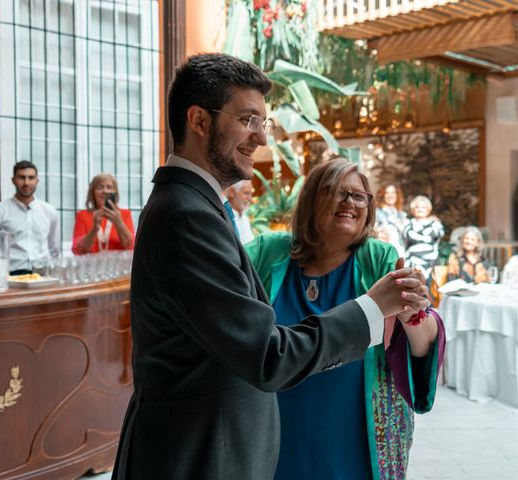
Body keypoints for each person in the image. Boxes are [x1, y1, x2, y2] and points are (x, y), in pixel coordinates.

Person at [111, 53, 430, 480]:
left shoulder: (199, 207)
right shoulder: (188, 216)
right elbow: (268, 355)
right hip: (197, 455)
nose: (260, 138)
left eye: (264, 123)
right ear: (199, 121)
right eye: (248, 120)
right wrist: (371, 309)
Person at [246, 159, 445, 480]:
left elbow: (422, 345)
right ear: (311, 199)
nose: (349, 202)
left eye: (358, 196)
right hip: (274, 432)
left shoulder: (379, 258)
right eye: (336, 192)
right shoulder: (268, 252)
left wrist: (414, 318)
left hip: (357, 436)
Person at [0, 160, 60, 274]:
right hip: (11, 274)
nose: (26, 183)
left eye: (31, 178)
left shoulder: (50, 212)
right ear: (13, 180)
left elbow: (54, 249)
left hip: (43, 273)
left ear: (37, 181)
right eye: (21, 177)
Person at [72, 173, 135, 254]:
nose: (104, 191)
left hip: (119, 265)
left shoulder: (124, 214)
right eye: (99, 187)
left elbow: (131, 246)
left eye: (109, 187)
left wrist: (119, 223)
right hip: (91, 266)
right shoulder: (82, 215)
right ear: (93, 192)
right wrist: (94, 229)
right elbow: (78, 250)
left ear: (115, 192)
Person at [403, 195, 445, 277]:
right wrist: (426, 237)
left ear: (428, 209)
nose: (420, 209)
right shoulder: (408, 223)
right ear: (413, 210)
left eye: (423, 207)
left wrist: (419, 236)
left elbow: (440, 234)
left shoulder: (435, 223)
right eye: (417, 207)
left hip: (432, 262)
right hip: (412, 262)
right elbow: (406, 237)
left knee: (431, 288)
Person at [375, 183, 408, 258]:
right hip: (384, 252)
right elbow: (370, 231)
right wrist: (378, 234)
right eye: (387, 193)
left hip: (401, 253)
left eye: (393, 192)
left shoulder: (402, 214)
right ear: (383, 195)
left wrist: (430, 218)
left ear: (397, 195)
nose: (390, 195)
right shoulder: (377, 212)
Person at [224, 179, 255, 244]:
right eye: (246, 193)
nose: (250, 199)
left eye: (251, 194)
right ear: (232, 192)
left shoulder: (244, 217)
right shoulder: (225, 217)